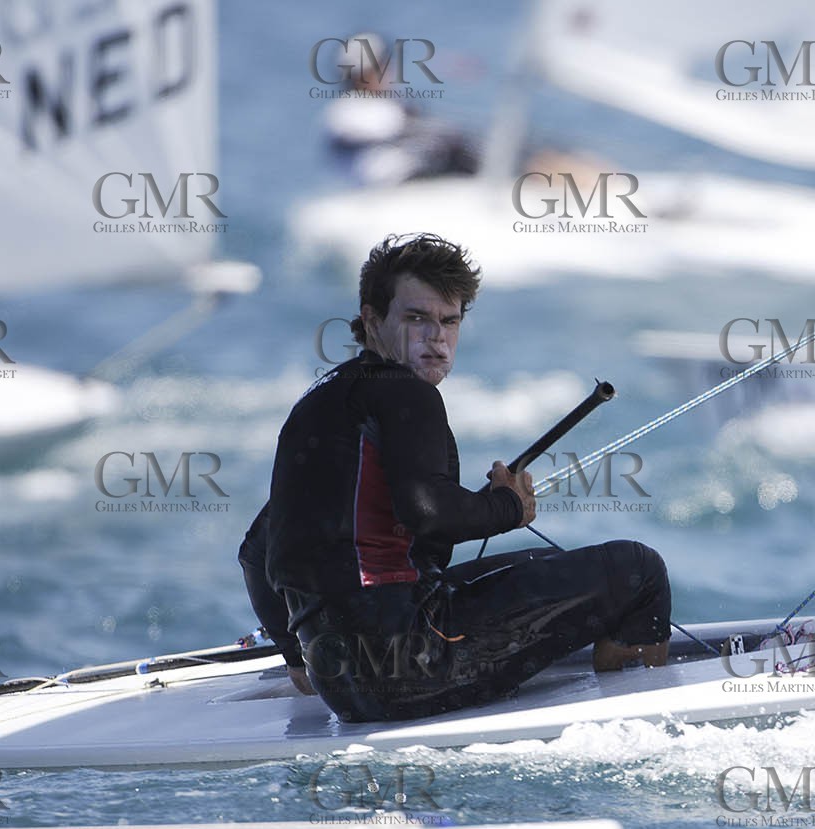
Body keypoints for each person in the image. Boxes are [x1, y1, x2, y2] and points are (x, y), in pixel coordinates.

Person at [239, 233, 671, 722]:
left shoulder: (322, 402)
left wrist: (301, 661)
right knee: (638, 572)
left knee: (550, 562)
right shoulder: (407, 394)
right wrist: (509, 507)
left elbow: (257, 552)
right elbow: (428, 513)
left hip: (341, 678)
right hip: (412, 669)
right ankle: (638, 728)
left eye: (449, 321)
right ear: (372, 319)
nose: (436, 339)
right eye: (416, 319)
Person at [323, 34, 478, 186]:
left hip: (410, 176)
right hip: (393, 183)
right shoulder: (347, 110)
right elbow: (392, 130)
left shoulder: (392, 103)